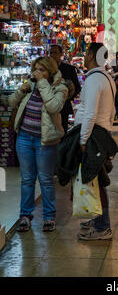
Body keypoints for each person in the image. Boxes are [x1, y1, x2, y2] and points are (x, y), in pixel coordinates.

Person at [9, 57, 68, 232]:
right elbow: (12, 102)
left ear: (50, 71)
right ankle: (25, 216)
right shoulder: (30, 85)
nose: (38, 73)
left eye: (42, 70)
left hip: (45, 140)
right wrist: (21, 90)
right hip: (25, 138)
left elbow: (53, 107)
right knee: (27, 179)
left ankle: (49, 217)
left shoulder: (60, 88)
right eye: (36, 69)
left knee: (45, 179)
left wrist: (42, 83)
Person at [75, 42, 116, 241]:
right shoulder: (107, 78)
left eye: (85, 53)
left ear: (91, 55)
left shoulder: (93, 80)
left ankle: (102, 227)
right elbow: (112, 110)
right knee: (93, 181)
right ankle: (94, 219)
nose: (83, 56)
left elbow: (90, 113)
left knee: (97, 182)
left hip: (94, 137)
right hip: (102, 133)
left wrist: (83, 139)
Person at [49, 45, 81, 134]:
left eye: (55, 52)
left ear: (61, 54)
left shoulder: (69, 69)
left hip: (63, 107)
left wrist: (68, 98)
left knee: (62, 131)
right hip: (48, 106)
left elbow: (77, 87)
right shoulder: (46, 69)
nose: (52, 55)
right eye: (51, 52)